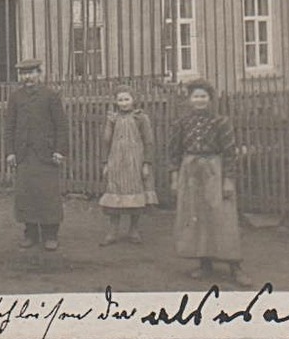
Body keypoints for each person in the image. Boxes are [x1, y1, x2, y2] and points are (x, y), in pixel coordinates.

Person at [168, 80, 248, 285]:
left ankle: (235, 266)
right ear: (189, 99)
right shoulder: (181, 123)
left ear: (210, 99)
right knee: (197, 216)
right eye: (196, 96)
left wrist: (228, 180)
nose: (200, 100)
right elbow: (174, 152)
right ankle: (205, 264)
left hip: (214, 171)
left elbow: (230, 153)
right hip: (191, 172)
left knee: (223, 216)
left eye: (203, 96)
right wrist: (175, 177)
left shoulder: (221, 122)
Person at [3, 58, 68, 250]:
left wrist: (59, 150)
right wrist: (10, 152)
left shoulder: (51, 96)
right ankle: (30, 233)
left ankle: (51, 234)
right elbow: (9, 127)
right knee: (26, 195)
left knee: (48, 195)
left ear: (40, 73)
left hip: (46, 155)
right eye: (24, 73)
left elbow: (61, 127)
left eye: (31, 72)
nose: (28, 77)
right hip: (24, 155)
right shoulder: (15, 97)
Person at [98, 87, 156, 246]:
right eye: (120, 100)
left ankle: (134, 229)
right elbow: (106, 141)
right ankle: (113, 230)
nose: (124, 103)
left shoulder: (141, 117)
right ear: (116, 102)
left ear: (133, 100)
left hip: (134, 162)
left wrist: (146, 163)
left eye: (127, 99)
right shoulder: (112, 118)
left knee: (135, 195)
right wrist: (105, 163)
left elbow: (149, 141)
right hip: (116, 161)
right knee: (114, 194)